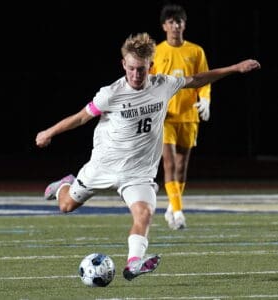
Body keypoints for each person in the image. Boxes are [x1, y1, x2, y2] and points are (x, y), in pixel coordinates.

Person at [35, 32, 260, 281]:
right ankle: (63, 186)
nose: (135, 75)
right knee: (66, 206)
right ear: (123, 65)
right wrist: (49, 132)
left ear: (150, 66)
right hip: (103, 167)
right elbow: (80, 117)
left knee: (144, 213)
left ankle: (133, 263)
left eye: (141, 69)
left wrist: (235, 68)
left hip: (138, 173)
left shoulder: (163, 84)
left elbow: (196, 79)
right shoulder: (110, 93)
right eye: (131, 69)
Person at [150, 3, 211, 230]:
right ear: (164, 26)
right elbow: (148, 84)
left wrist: (205, 99)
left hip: (189, 116)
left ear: (184, 24)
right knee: (169, 164)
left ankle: (171, 205)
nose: (175, 26)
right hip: (166, 118)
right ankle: (177, 210)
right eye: (171, 22)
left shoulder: (196, 51)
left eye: (179, 21)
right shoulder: (157, 52)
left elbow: (204, 80)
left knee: (182, 166)